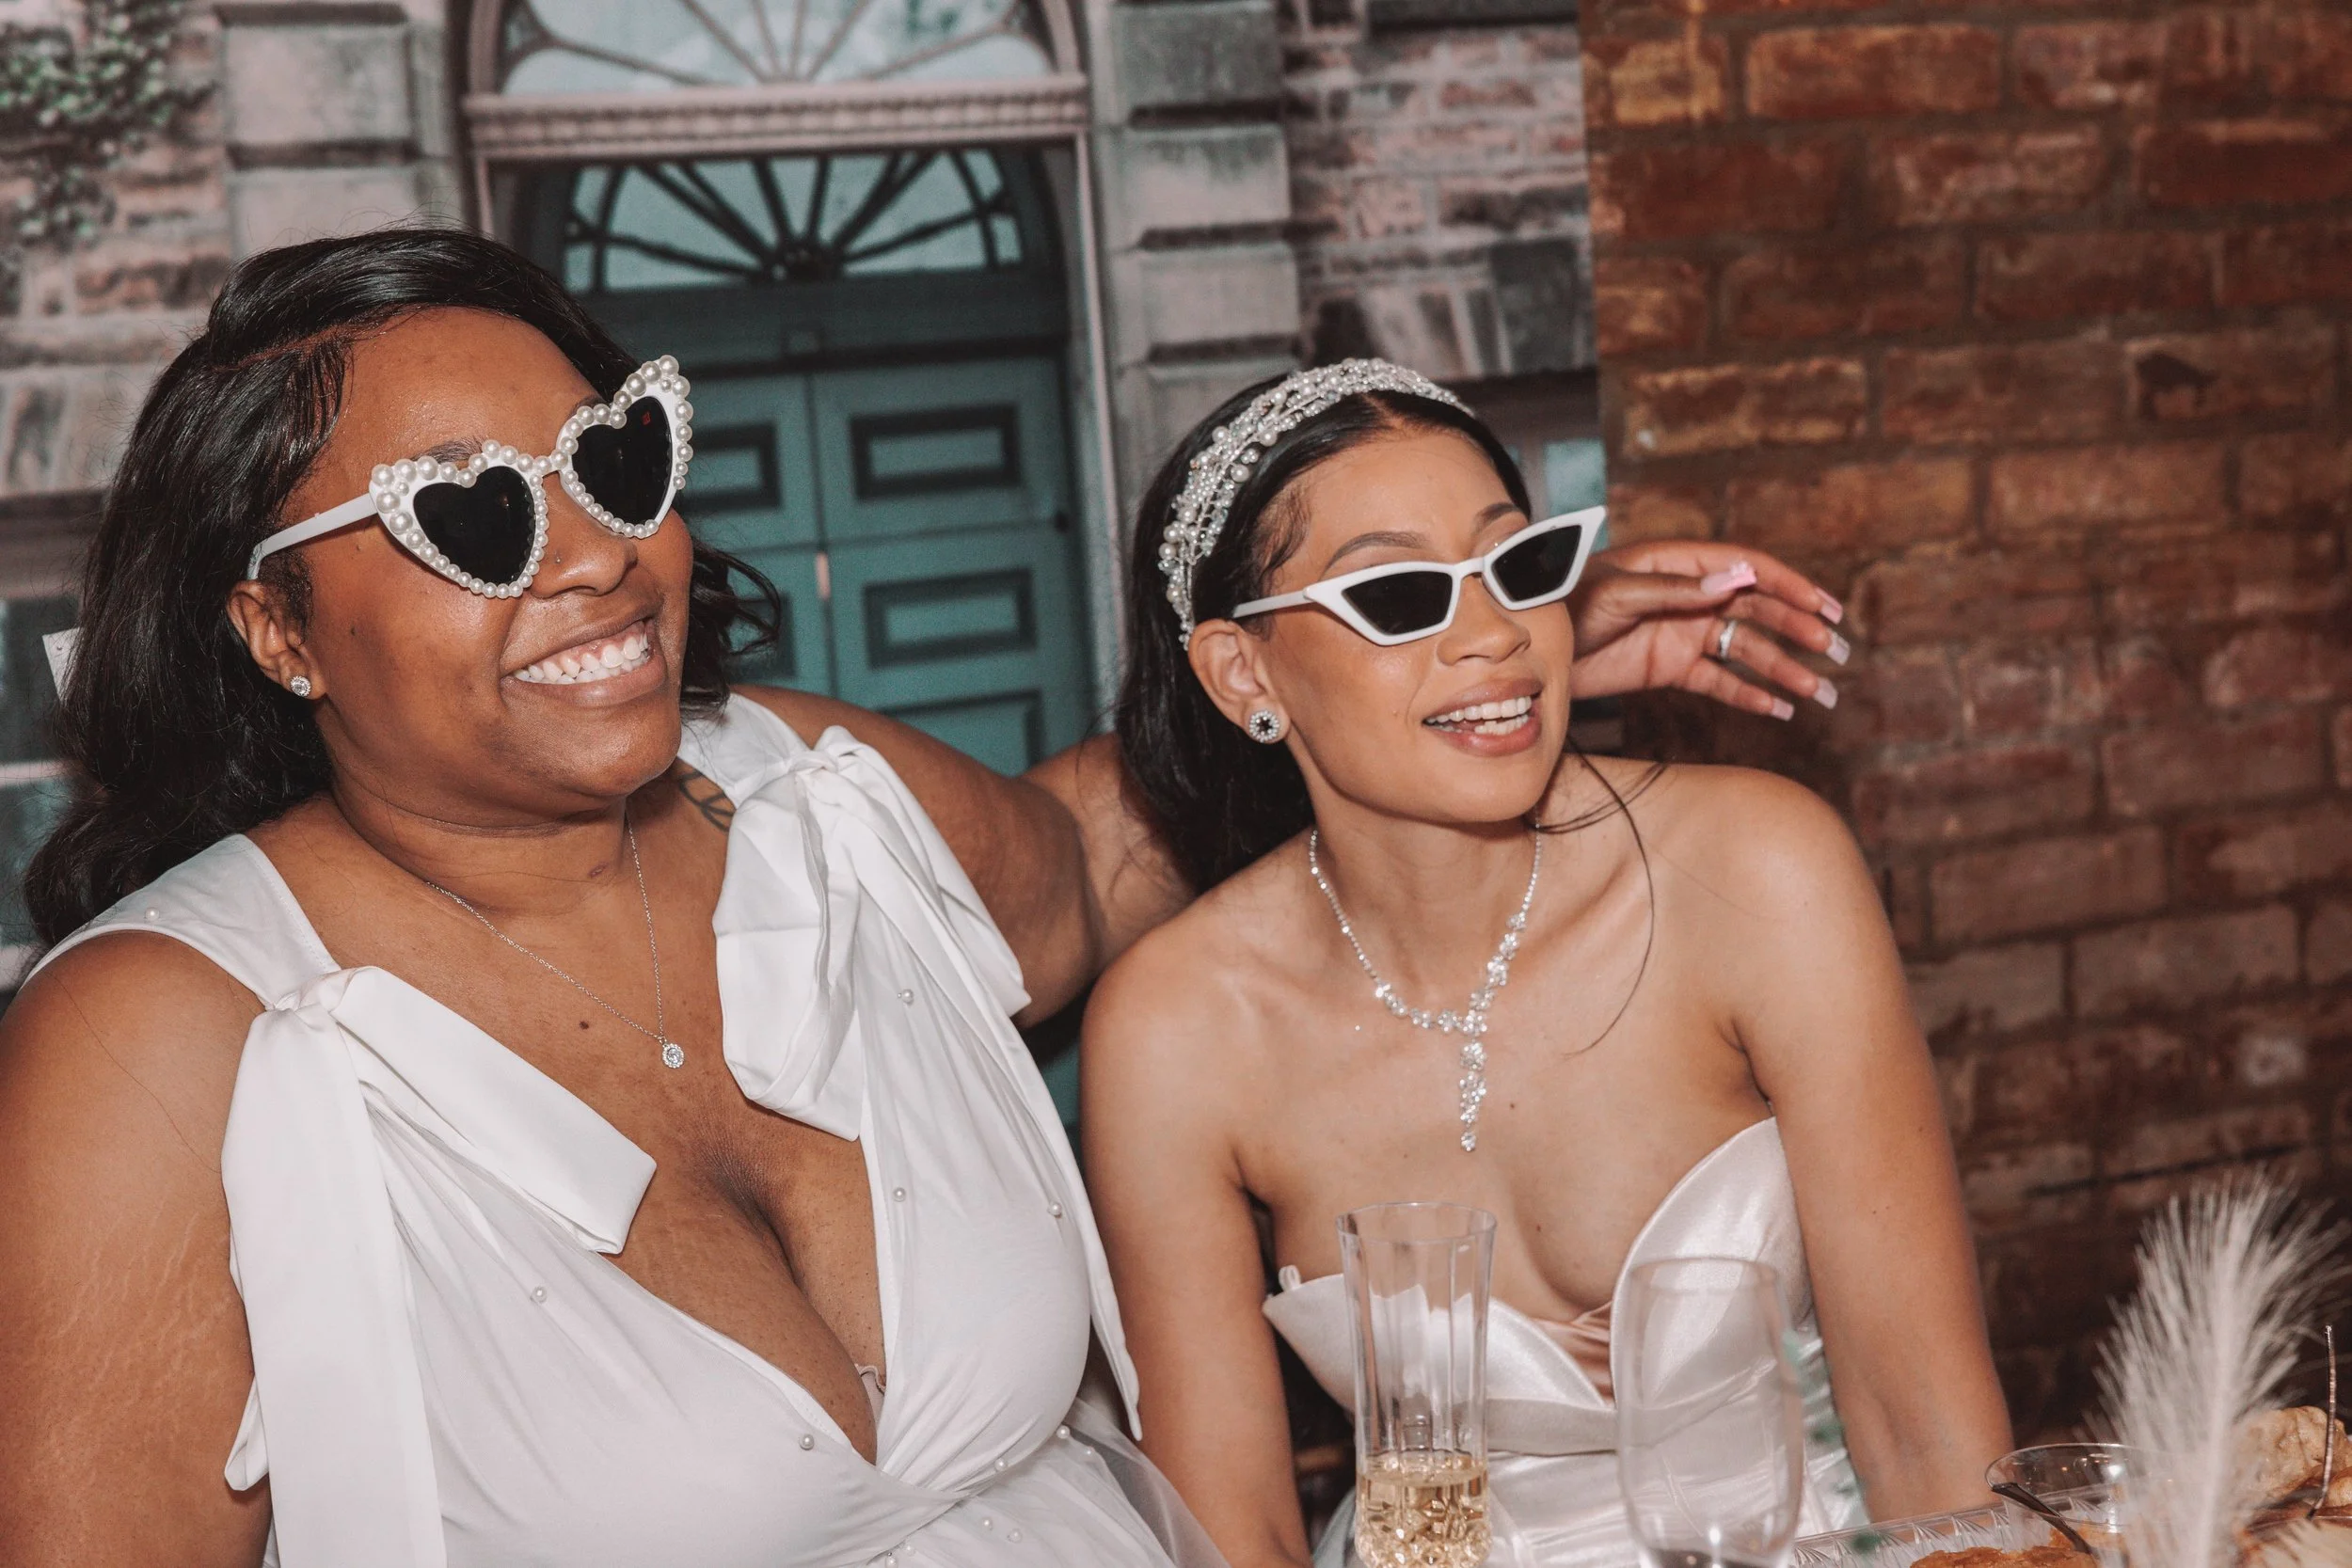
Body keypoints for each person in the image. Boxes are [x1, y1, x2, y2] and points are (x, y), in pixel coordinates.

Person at [0, 230, 1852, 1567]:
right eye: (473, 516)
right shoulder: (157, 1040)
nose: (592, 556)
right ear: (273, 623)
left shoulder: (815, 802)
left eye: (618, 461)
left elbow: (1116, 839)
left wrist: (1448, 660)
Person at [1078, 361, 2015, 1568]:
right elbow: (1234, 1530)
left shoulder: (1754, 872)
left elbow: (1925, 1423)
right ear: (1242, 674)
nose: (1491, 635)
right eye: (1400, 594)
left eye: (1516, 566)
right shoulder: (1177, 1025)